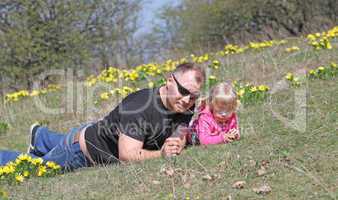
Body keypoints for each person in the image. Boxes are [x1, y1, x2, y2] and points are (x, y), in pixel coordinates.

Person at [0, 63, 205, 171]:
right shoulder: (139, 107)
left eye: (194, 95)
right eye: (183, 91)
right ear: (169, 80)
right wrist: (161, 154)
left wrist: (177, 141)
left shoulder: (185, 105)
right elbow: (127, 156)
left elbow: (181, 129)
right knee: (32, 169)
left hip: (98, 131)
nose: (188, 100)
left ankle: (41, 137)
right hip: (80, 153)